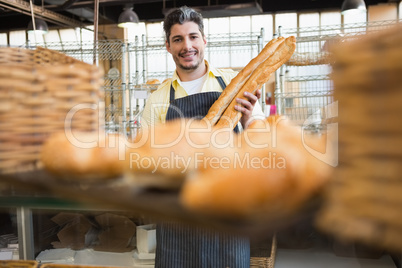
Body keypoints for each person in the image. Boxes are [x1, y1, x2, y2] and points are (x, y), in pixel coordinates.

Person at [140, 6, 264, 268]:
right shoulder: (157, 100)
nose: (187, 46)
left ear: (204, 41)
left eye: (193, 37)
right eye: (178, 39)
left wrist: (248, 120)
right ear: (168, 46)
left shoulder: (235, 85)